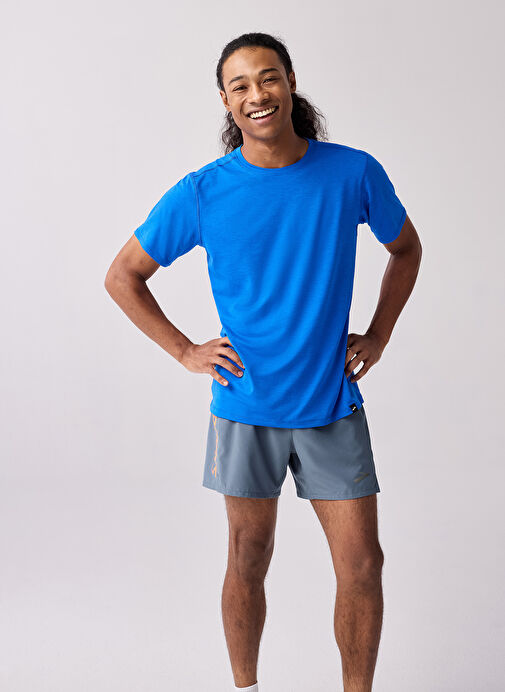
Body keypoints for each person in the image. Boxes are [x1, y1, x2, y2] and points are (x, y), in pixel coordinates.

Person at [105, 31, 422, 692]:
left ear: (290, 82)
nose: (257, 94)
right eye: (241, 85)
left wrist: (379, 334)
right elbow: (123, 275)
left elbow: (405, 248)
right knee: (248, 557)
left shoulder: (352, 173)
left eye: (268, 77)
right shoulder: (204, 191)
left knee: (362, 564)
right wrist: (185, 350)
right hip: (245, 405)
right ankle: (245, 688)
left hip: (330, 403)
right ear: (225, 100)